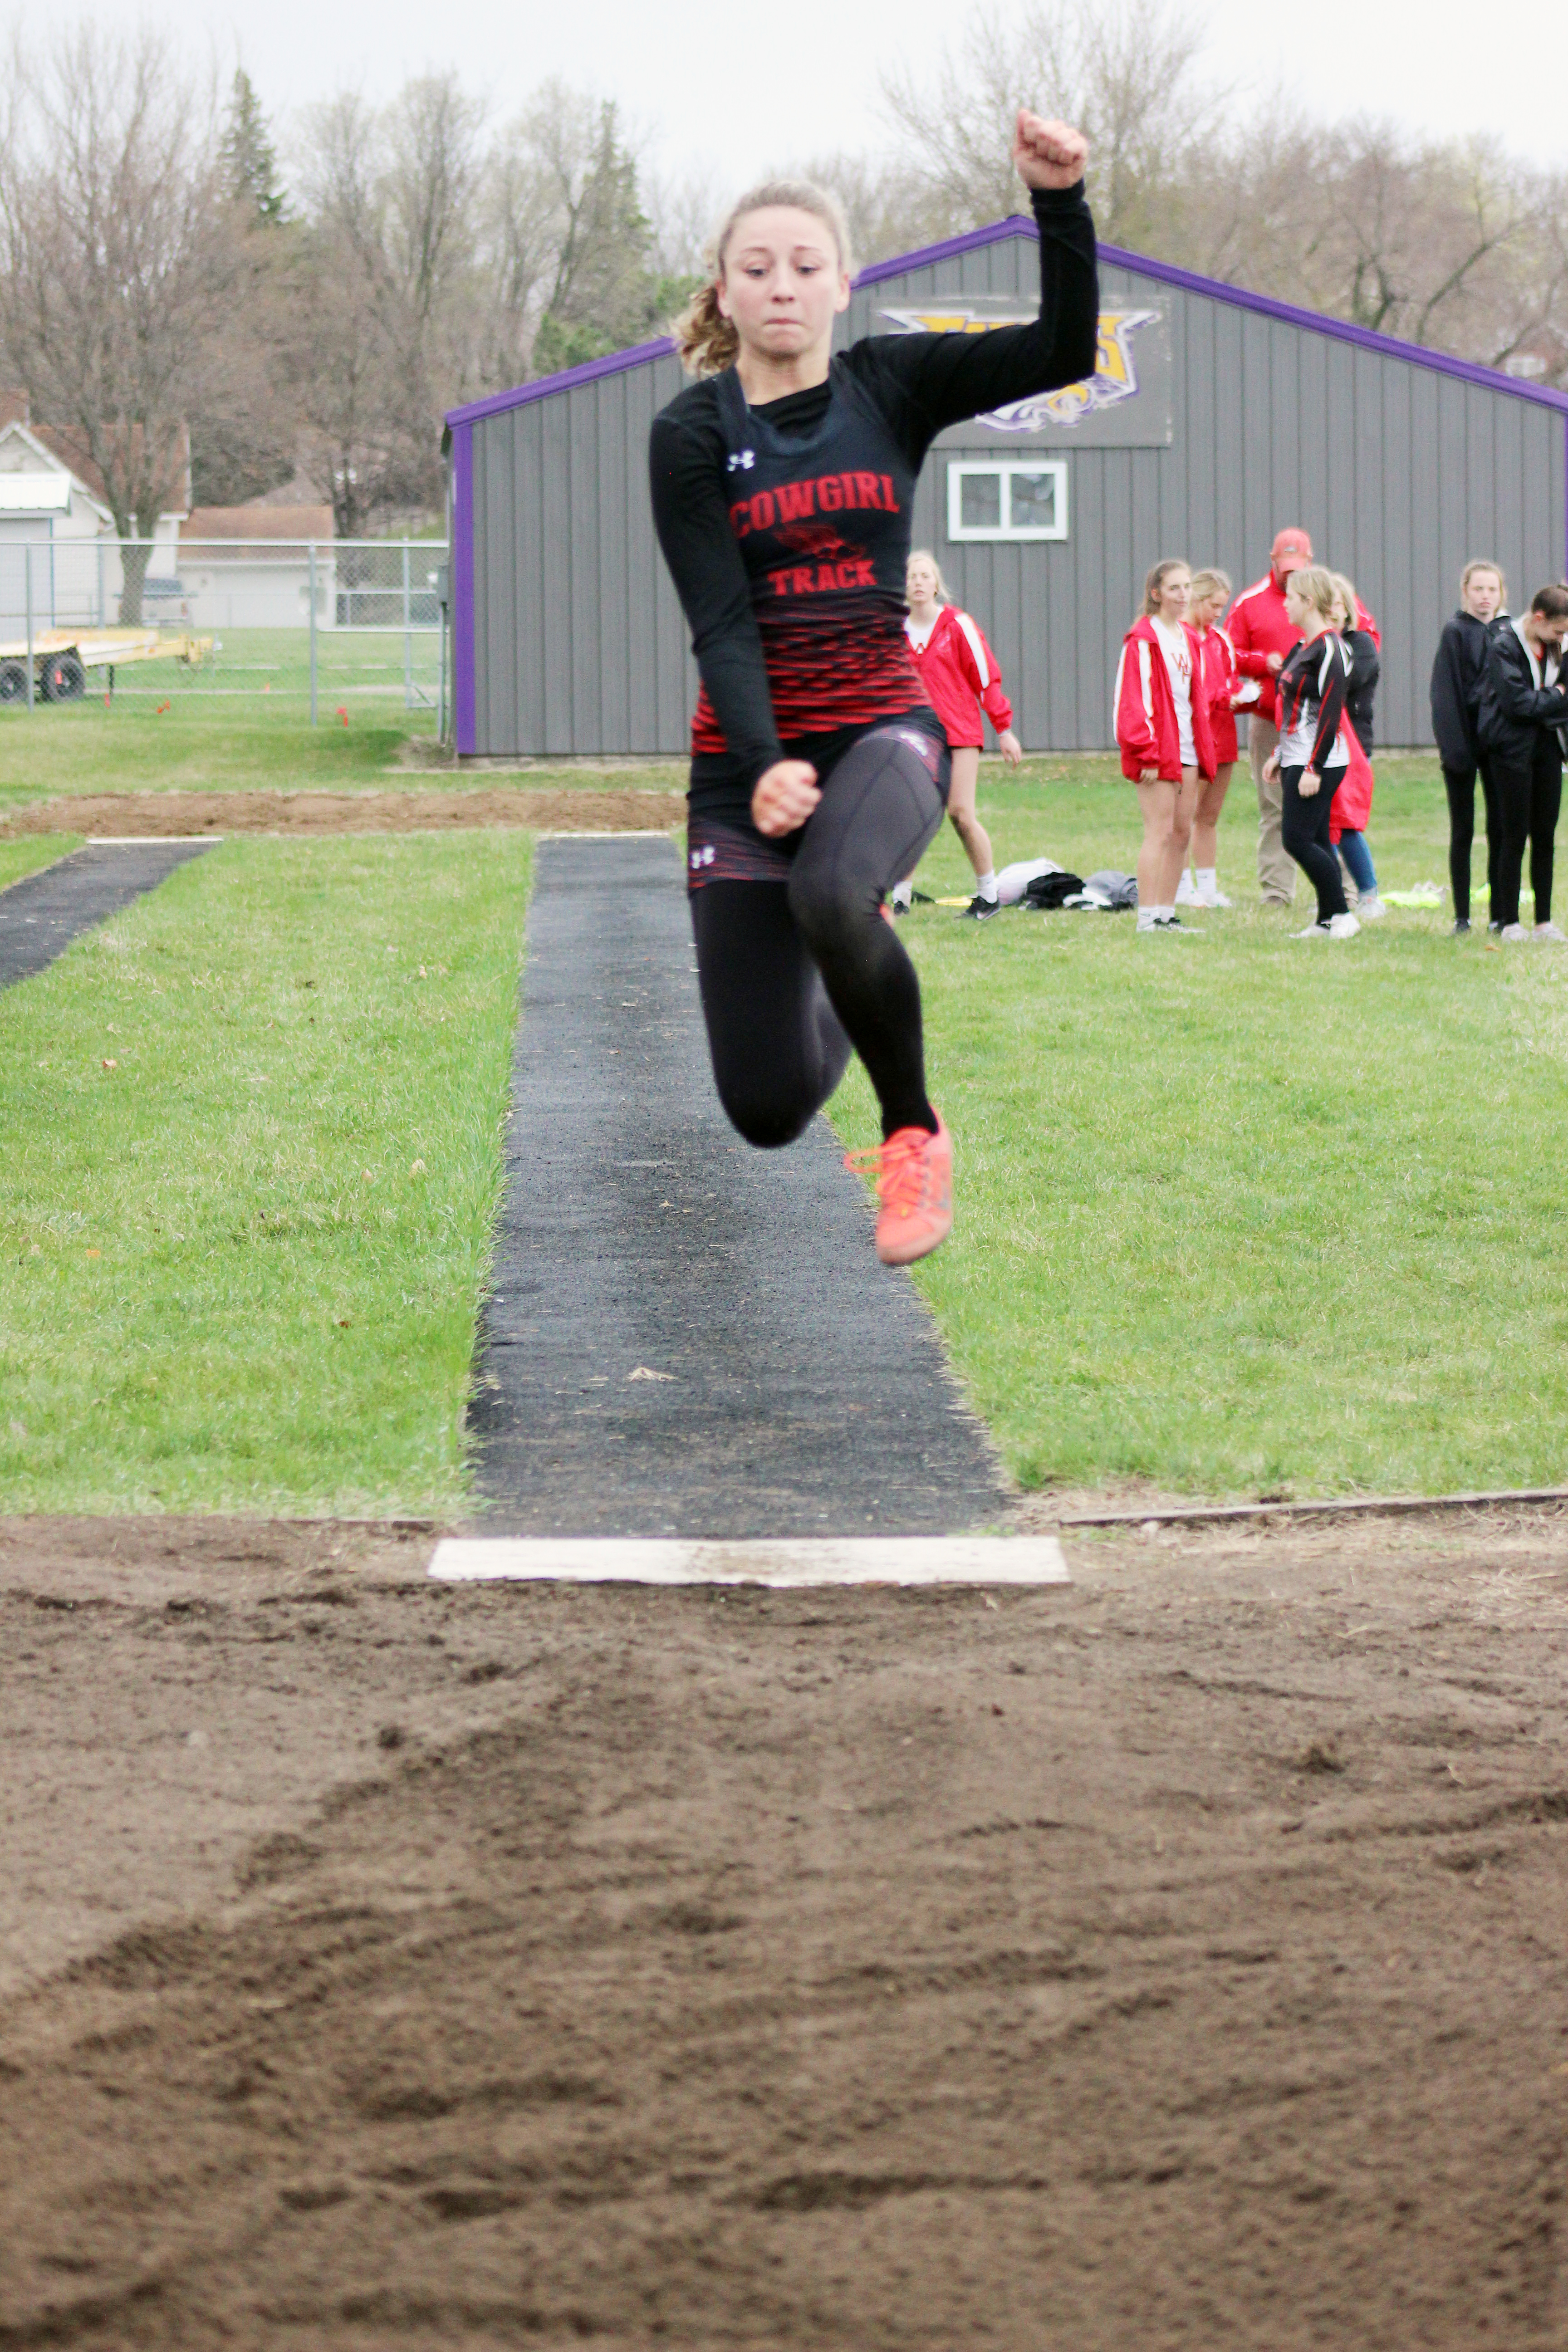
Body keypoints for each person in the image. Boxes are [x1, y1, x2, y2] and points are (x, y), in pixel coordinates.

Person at [648, 115, 1096, 1267]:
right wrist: (759, 765)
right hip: (741, 766)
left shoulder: (889, 386)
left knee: (831, 894)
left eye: (805, 267)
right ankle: (855, 932)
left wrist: (1059, 201)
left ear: (844, 285)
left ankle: (912, 1134)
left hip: (882, 732)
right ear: (724, 292)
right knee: (764, 1107)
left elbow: (1059, 350)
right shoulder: (691, 432)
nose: (782, 287)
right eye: (757, 269)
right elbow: (721, 619)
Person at [891, 550, 1024, 921]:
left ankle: (989, 896)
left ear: (936, 585)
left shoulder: (958, 625)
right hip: (914, 735)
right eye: (911, 577)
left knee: (961, 813)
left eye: (924, 576)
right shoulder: (895, 629)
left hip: (959, 731)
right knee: (909, 814)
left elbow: (986, 679)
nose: (918, 583)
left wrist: (1005, 730)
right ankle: (900, 899)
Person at [1113, 558, 1216, 932]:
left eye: (1187, 586)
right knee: (1158, 832)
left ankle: (1166, 914)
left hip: (1187, 747)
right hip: (1157, 750)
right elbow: (1132, 701)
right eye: (1174, 588)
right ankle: (1146, 918)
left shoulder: (1190, 638)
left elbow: (1195, 697)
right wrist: (1146, 752)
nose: (1183, 594)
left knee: (1182, 833)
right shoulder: (1142, 640)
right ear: (1156, 594)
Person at [1262, 567, 1359, 938]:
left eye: (1290, 598)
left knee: (1296, 840)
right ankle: (1327, 920)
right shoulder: (1302, 647)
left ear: (1307, 601)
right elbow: (1293, 710)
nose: (1284, 604)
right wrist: (1279, 753)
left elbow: (1332, 713)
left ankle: (1343, 915)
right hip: (1296, 757)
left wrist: (1313, 767)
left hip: (1319, 761)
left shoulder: (1332, 648)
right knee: (1317, 840)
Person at [1475, 584, 1568, 942]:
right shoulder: (1503, 645)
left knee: (1545, 835)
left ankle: (1544, 921)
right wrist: (1557, 694)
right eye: (1558, 631)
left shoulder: (1558, 646)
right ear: (1539, 618)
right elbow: (1517, 705)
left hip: (1548, 748)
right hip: (1510, 750)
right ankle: (1508, 920)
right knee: (1513, 835)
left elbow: (1536, 703)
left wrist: (1543, 701)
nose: (1561, 638)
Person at [1226, 527, 1313, 905]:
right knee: (1276, 806)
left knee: (1330, 806)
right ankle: (1277, 893)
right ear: (1272, 561)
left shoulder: (1330, 596)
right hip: (1269, 719)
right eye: (1285, 567)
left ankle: (1344, 891)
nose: (1291, 576)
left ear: (1310, 563)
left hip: (1319, 717)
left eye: (1299, 568)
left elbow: (1364, 638)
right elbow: (1227, 654)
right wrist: (1264, 663)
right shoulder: (1250, 602)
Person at [1431, 561, 1506, 935]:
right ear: (1466, 591)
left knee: (1501, 830)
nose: (1485, 597)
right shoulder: (1455, 632)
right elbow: (1445, 695)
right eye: (1478, 589)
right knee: (1463, 830)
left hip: (1499, 748)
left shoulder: (1509, 631)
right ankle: (1463, 916)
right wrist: (1454, 750)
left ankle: (1499, 914)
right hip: (1464, 745)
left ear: (1501, 593)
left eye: (1492, 590)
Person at [1326, 571, 1386, 921]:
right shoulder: (1312, 645)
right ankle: (1332, 893)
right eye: (1324, 604)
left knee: (1346, 822)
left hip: (1352, 744)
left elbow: (1348, 680)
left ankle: (1368, 893)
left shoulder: (1360, 644)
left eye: (1336, 603)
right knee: (1322, 822)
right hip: (1317, 742)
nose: (1331, 610)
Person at [1181, 567, 1238, 907]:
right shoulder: (1181, 636)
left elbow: (1229, 677)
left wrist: (1238, 693)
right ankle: (1182, 886)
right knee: (1185, 815)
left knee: (1209, 816)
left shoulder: (1220, 640)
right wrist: (1220, 695)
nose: (1219, 614)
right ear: (1198, 600)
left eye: (1223, 608)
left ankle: (1207, 887)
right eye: (1214, 606)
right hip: (1194, 738)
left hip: (1224, 734)